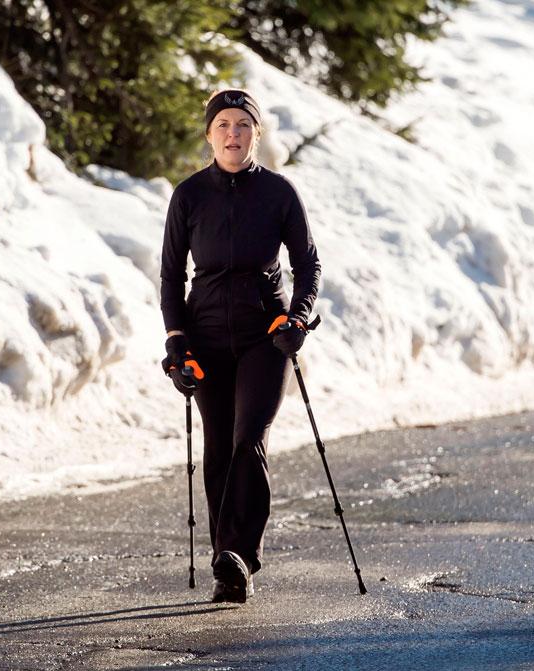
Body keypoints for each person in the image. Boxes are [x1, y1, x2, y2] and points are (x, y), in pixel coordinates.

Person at [160, 88, 321, 603]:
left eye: (243, 125)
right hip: (205, 335)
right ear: (210, 134)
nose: (233, 134)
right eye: (224, 125)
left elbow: (309, 264)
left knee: (249, 435)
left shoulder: (278, 193)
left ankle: (237, 554)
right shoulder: (188, 196)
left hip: (263, 336)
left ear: (257, 133)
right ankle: (227, 560)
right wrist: (176, 343)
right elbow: (170, 277)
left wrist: (296, 319)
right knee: (218, 445)